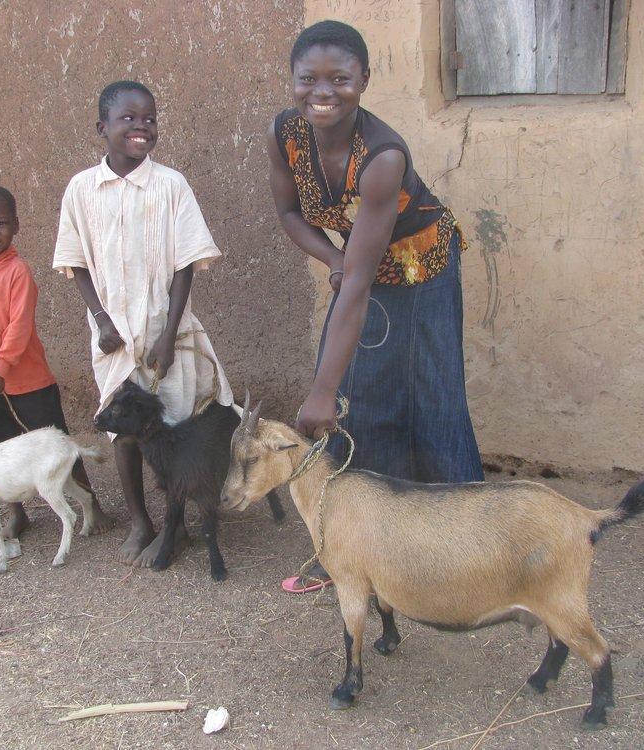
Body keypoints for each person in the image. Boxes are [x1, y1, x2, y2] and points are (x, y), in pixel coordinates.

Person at [268, 21, 484, 592]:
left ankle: (470, 553)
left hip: (423, 269)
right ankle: (355, 551)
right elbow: (291, 215)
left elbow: (361, 285)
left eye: (340, 78)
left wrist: (319, 389)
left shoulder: (382, 155)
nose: (324, 91)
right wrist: (332, 261)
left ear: (364, 79)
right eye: (308, 77)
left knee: (430, 400)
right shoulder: (286, 131)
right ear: (291, 80)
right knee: (360, 398)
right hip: (362, 269)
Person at [52, 81, 234, 568]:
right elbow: (75, 263)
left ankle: (178, 525)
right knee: (120, 430)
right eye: (128, 119)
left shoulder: (170, 185)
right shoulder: (81, 190)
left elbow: (185, 266)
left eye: (149, 120)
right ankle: (141, 520)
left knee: (173, 424)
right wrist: (100, 318)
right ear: (102, 129)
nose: (141, 127)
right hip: (112, 337)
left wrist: (169, 335)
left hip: (164, 331)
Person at [0, 184, 113, 541]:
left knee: (57, 444)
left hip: (30, 382)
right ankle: (16, 513)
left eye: (0, 223)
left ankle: (91, 505)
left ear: (16, 225)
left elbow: (19, 329)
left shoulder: (18, 271)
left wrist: (1, 370)